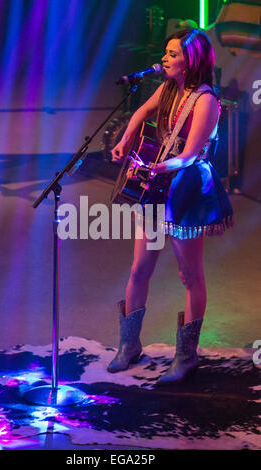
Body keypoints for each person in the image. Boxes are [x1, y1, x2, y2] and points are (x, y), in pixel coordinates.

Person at [107, 29, 234, 384]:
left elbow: (191, 155)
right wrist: (126, 137)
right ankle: (129, 346)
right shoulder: (167, 88)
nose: (164, 59)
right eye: (165, 53)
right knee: (138, 269)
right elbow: (140, 114)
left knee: (189, 275)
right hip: (159, 183)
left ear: (190, 60)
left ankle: (187, 355)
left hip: (188, 186)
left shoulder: (205, 100)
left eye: (172, 54)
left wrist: (160, 167)